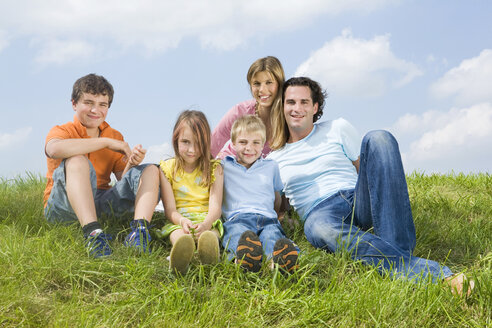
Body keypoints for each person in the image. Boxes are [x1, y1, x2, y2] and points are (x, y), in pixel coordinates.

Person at [267, 76, 473, 295]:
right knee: (320, 228)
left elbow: (365, 169)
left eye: (304, 102)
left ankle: (396, 253)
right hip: (320, 213)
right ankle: (423, 270)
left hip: (356, 197)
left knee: (379, 138)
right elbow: (279, 206)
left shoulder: (337, 128)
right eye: (291, 102)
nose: (297, 108)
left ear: (315, 107)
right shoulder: (275, 159)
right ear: (282, 107)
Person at [44, 73, 160, 258]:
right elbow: (54, 149)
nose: (95, 110)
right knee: (77, 160)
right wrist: (105, 143)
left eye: (102, 104)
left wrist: (131, 163)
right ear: (74, 103)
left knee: (151, 170)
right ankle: (93, 234)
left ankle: (139, 232)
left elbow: (125, 183)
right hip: (63, 207)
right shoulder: (63, 130)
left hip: (101, 203)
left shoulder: (114, 136)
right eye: (88, 102)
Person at [221, 115, 299, 273]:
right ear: (233, 143)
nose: (249, 148)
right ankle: (242, 261)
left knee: (272, 236)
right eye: (243, 142)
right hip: (238, 218)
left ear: (263, 144)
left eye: (256, 143)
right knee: (237, 235)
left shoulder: (271, 166)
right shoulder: (225, 166)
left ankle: (276, 264)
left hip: (267, 219)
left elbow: (276, 196)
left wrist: (276, 215)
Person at [158, 110, 224, 275]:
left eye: (198, 143)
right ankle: (180, 257)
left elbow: (216, 207)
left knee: (211, 234)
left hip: (206, 219)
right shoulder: (167, 169)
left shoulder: (215, 168)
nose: (192, 149)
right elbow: (170, 210)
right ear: (176, 140)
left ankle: (209, 254)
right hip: (180, 221)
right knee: (179, 236)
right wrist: (182, 221)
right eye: (185, 142)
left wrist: (206, 224)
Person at [211, 56, 285, 159]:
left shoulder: (288, 115)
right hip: (229, 168)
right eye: (257, 84)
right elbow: (212, 145)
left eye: (269, 82)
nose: (262, 90)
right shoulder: (240, 111)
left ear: (279, 84)